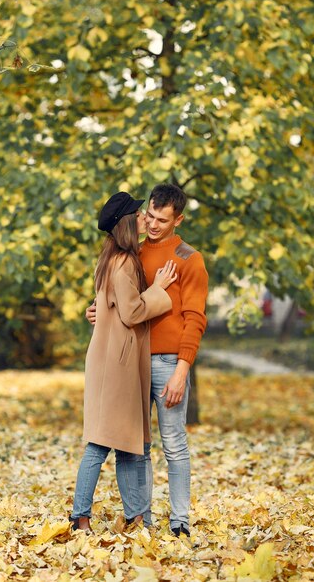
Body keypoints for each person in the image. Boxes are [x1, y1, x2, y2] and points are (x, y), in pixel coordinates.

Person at [87, 184, 208, 538]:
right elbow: (118, 300)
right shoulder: (132, 252)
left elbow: (195, 319)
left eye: (162, 220)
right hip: (132, 364)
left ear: (178, 219)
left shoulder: (189, 258)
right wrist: (97, 312)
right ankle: (142, 518)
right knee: (136, 446)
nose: (153, 224)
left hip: (170, 363)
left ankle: (180, 521)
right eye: (150, 216)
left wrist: (181, 371)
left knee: (174, 444)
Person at [70, 191, 177, 531]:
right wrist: (159, 288)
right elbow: (132, 312)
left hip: (111, 361)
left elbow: (110, 307)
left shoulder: (110, 258)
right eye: (140, 214)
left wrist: (97, 311)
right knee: (102, 442)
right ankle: (80, 517)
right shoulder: (126, 262)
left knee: (129, 443)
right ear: (128, 223)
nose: (147, 217)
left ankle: (137, 516)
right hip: (117, 366)